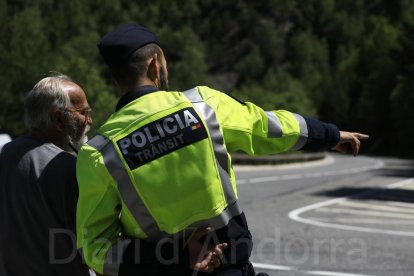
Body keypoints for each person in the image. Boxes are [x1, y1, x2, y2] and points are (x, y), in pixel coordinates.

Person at [76, 23, 369, 276]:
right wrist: (329, 135)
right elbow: (267, 129)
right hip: (228, 265)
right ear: (154, 64)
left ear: (116, 77)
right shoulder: (203, 106)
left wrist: (172, 263)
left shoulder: (100, 151)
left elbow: (96, 246)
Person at [0, 75, 93, 276]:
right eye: (83, 112)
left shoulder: (4, 155)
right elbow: (95, 244)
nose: (89, 120)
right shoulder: (69, 168)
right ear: (58, 118)